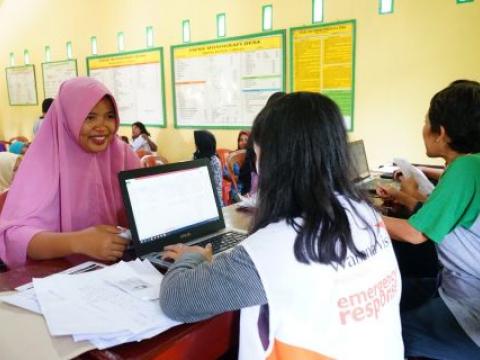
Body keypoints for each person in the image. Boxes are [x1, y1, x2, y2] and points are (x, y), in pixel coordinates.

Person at [160, 92, 403, 359]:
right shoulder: (365, 214)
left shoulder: (279, 246)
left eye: (257, 154)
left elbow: (176, 300)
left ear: (275, 162)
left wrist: (192, 257)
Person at [382, 81, 480, 358]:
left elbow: (415, 233)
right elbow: (443, 217)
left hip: (469, 310)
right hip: (461, 293)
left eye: (426, 121)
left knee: (384, 334)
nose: (423, 128)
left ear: (442, 133)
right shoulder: (472, 165)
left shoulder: (466, 168)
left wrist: (356, 216)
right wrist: (402, 199)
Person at [0, 77, 141, 269]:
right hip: (56, 274)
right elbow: (14, 236)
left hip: (119, 269)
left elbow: (148, 201)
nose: (102, 126)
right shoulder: (42, 162)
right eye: (90, 117)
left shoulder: (121, 153)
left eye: (109, 116)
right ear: (68, 119)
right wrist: (79, 242)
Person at [193, 130, 223, 206]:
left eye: (197, 144)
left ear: (202, 145)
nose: (195, 145)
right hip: (198, 193)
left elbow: (217, 186)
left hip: (212, 197)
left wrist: (218, 205)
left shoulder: (214, 161)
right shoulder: (196, 156)